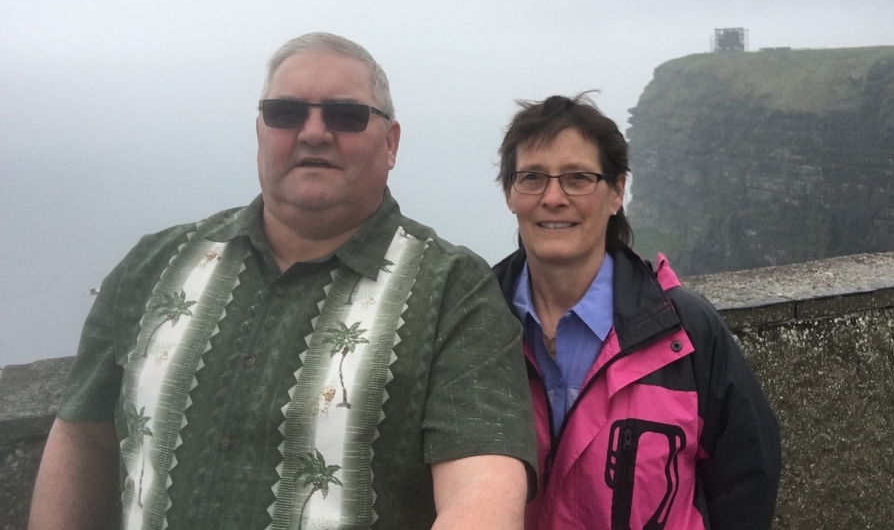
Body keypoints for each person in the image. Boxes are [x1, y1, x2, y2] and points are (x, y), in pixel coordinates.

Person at [29, 32, 536, 530]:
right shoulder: (153, 264)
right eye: (286, 113)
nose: (313, 132)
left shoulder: (453, 288)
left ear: (391, 142)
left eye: (345, 115)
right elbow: (83, 437)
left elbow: (483, 485)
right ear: (260, 131)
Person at [493, 93, 780, 530]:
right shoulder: (475, 322)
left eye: (577, 178)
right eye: (532, 177)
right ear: (510, 194)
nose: (553, 197)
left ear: (617, 192)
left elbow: (746, 478)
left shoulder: (686, 330)